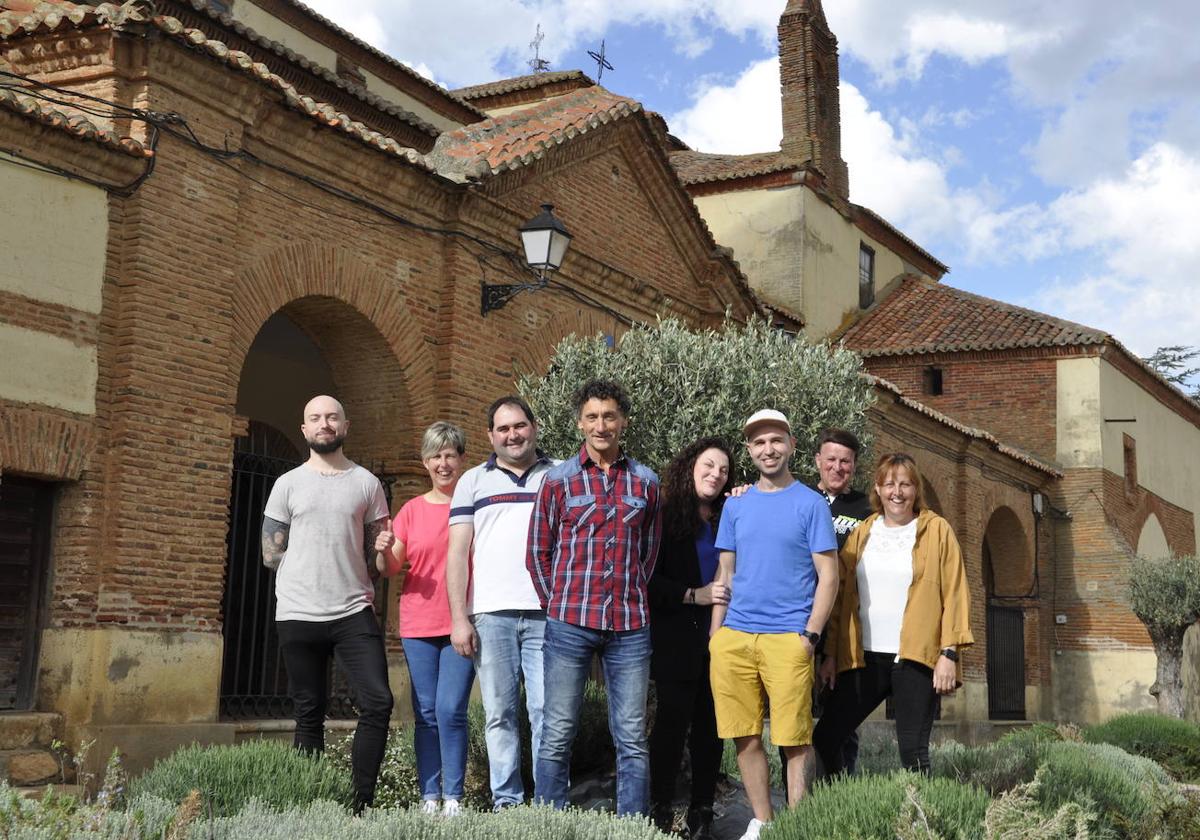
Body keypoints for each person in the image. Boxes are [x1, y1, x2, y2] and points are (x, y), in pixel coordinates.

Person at [527, 379, 663, 817]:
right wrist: (558, 606)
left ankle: (631, 827)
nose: (600, 425)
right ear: (580, 423)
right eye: (592, 416)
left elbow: (649, 555)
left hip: (630, 627)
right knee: (557, 731)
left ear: (622, 421)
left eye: (609, 416)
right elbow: (537, 553)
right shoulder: (558, 480)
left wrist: (629, 596)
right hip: (569, 624)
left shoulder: (646, 482)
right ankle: (548, 823)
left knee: (631, 735)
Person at [708, 409, 838, 840]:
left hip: (789, 638)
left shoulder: (811, 504)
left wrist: (810, 636)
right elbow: (724, 575)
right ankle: (763, 822)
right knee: (743, 736)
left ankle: (797, 828)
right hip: (735, 638)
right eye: (759, 442)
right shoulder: (736, 504)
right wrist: (716, 636)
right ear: (749, 450)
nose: (768, 449)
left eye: (775, 441)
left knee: (794, 738)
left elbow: (829, 576)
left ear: (791, 445)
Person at [261, 395, 393, 814]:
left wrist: (375, 554)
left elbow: (377, 559)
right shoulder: (287, 483)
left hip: (353, 610)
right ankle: (311, 806)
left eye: (332, 417)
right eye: (316, 418)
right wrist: (307, 573)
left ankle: (359, 805)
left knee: (378, 702)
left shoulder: (368, 484)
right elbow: (270, 553)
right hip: (298, 613)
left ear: (345, 425)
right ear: (305, 430)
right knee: (308, 713)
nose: (324, 423)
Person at [813, 453, 974, 775]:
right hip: (864, 659)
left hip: (915, 659)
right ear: (878, 488)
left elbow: (955, 593)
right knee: (825, 737)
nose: (897, 492)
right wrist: (830, 654)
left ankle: (918, 823)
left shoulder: (936, 530)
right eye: (889, 484)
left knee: (913, 754)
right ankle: (834, 809)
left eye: (905, 484)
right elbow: (842, 598)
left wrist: (949, 653)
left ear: (916, 490)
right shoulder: (864, 532)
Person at [446, 396, 557, 810]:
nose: (513, 435)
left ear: (534, 426)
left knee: (548, 712)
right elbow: (457, 552)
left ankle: (548, 802)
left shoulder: (559, 476)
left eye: (519, 426)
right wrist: (460, 618)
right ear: (491, 436)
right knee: (499, 714)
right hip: (491, 616)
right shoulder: (472, 481)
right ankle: (507, 803)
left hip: (549, 614)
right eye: (503, 429)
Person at [375, 421, 475, 817]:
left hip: (459, 622)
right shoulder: (412, 510)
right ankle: (429, 796)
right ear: (425, 462)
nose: (443, 462)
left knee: (451, 710)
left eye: (450, 454)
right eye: (436, 455)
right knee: (426, 712)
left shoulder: (472, 506)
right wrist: (383, 549)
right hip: (417, 624)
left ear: (462, 460)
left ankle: (454, 795)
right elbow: (391, 567)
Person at [648, 438, 733, 839]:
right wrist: (692, 594)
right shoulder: (664, 517)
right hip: (675, 636)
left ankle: (702, 810)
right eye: (709, 465)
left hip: (721, 639)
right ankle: (660, 806)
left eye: (724, 470)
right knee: (670, 725)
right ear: (690, 466)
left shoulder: (730, 515)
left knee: (710, 727)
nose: (715, 474)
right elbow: (648, 578)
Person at [780, 428, 872, 786]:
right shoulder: (795, 499)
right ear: (817, 460)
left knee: (841, 724)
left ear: (854, 466)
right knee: (793, 718)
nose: (837, 467)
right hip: (795, 622)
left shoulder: (866, 510)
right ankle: (795, 800)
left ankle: (839, 798)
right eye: (830, 459)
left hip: (845, 629)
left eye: (845, 462)